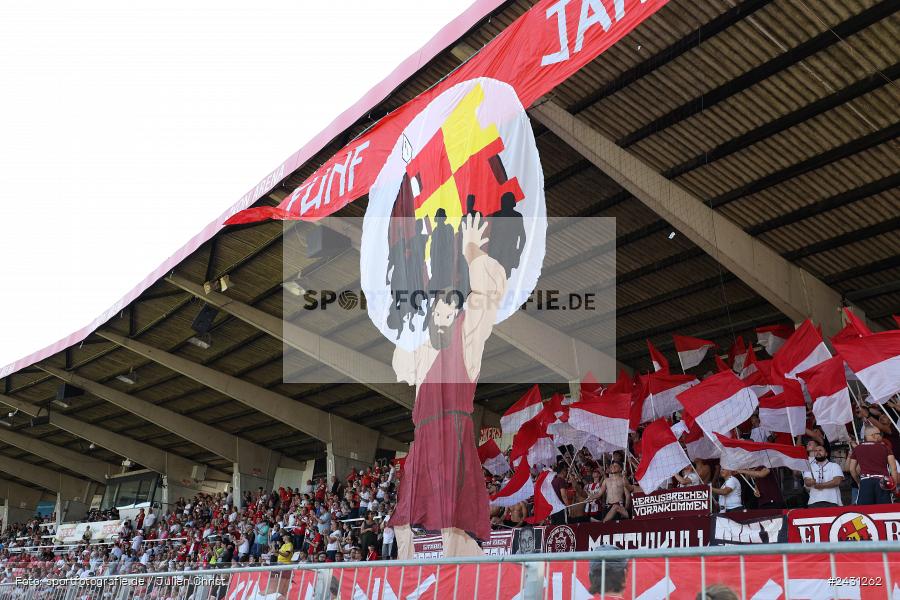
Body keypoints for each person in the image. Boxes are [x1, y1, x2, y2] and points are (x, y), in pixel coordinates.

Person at [391, 213, 508, 558]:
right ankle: (404, 576)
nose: (440, 312)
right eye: (436, 308)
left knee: (456, 512)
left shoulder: (466, 337)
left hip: (451, 431)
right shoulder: (422, 348)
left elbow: (489, 295)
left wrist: (472, 252)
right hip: (423, 436)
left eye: (448, 307)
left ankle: (462, 575)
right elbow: (400, 364)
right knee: (405, 514)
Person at [848, 425, 899, 504]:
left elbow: (851, 469)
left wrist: (858, 482)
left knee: (865, 512)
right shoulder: (885, 448)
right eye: (879, 434)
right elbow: (893, 468)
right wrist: (893, 486)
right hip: (883, 482)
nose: (881, 436)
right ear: (874, 436)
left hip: (865, 482)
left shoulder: (857, 448)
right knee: (884, 511)